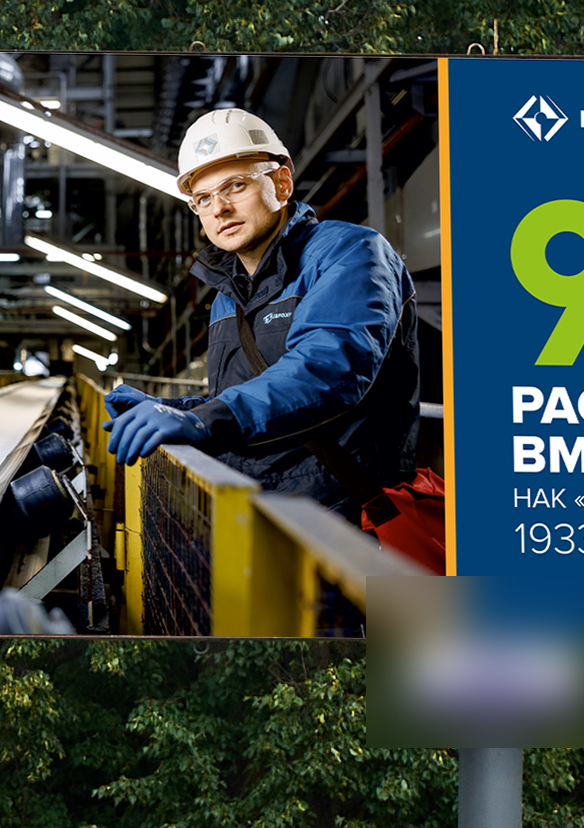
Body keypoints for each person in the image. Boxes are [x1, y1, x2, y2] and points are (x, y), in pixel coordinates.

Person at [101, 105, 425, 522]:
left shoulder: (349, 253)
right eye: (203, 198)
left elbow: (327, 371)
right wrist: (180, 409)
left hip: (342, 516)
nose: (218, 208)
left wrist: (206, 421)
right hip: (255, 512)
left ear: (282, 183)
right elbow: (245, 396)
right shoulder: (228, 296)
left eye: (235, 186)